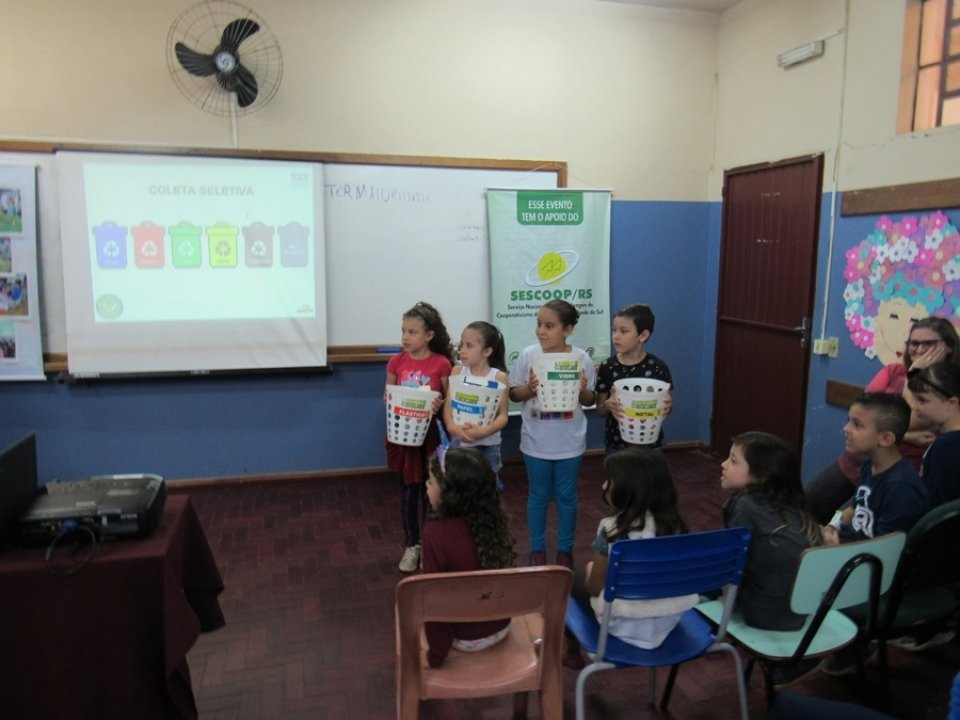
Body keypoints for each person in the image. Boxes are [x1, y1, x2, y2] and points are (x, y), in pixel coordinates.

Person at [805, 317, 960, 524]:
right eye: (914, 343)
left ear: (948, 347)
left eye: (928, 344)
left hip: (898, 473)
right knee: (808, 505)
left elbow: (907, 416)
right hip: (861, 460)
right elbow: (862, 412)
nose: (920, 349)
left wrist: (915, 375)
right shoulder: (894, 371)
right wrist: (907, 434)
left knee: (853, 522)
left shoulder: (949, 384)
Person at [565, 448, 698, 663]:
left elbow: (594, 588)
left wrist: (591, 570)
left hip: (622, 622)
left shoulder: (611, 528)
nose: (603, 485)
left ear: (629, 489)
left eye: (609, 480)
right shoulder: (677, 527)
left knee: (570, 577)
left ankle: (570, 653)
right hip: (668, 619)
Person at [508, 299, 596, 568]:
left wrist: (582, 390)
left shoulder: (581, 358)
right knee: (539, 495)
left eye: (549, 326)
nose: (541, 331)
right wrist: (530, 389)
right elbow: (513, 393)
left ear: (567, 329)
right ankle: (537, 549)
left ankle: (565, 550)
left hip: (570, 442)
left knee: (567, 496)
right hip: (536, 440)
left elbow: (590, 398)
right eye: (538, 324)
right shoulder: (528, 355)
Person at [421, 446, 517, 668]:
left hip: (465, 639)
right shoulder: (492, 520)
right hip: (501, 627)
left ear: (450, 493)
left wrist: (435, 656)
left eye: (431, 482)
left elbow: (434, 601)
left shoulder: (434, 534)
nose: (426, 485)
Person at [720, 431, 821, 631]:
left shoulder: (745, 506)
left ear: (761, 474)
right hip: (800, 614)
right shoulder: (794, 506)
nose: (724, 464)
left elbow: (731, 565)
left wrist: (723, 605)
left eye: (733, 461)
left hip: (762, 613)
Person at [385, 301, 454, 573]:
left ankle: (429, 545)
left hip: (431, 438)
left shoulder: (442, 363)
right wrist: (395, 400)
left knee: (432, 493)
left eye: (412, 332)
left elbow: (449, 399)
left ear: (429, 335)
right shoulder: (396, 361)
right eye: (403, 331)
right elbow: (387, 395)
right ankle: (412, 544)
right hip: (404, 437)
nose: (405, 337)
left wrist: (439, 404)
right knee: (409, 493)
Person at [820, 393, 928, 546]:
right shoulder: (869, 466)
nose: (846, 429)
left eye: (857, 425)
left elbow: (885, 551)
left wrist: (834, 548)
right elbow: (854, 507)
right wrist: (832, 526)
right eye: (849, 421)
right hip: (849, 545)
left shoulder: (901, 487)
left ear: (885, 439)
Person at [594, 303, 673, 453]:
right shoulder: (607, 367)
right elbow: (600, 410)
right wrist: (608, 405)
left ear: (643, 335)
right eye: (614, 330)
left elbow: (665, 406)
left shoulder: (657, 367)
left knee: (651, 477)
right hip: (617, 444)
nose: (616, 336)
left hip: (651, 444)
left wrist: (668, 406)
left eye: (623, 331)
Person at [442, 321, 509, 491]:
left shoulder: (498, 377)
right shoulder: (457, 371)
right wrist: (451, 426)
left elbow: (503, 416)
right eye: (462, 344)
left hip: (487, 446)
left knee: (488, 491)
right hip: (459, 443)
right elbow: (448, 406)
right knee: (460, 489)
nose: (462, 350)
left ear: (487, 351)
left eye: (469, 346)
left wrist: (484, 431)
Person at [907, 361, 960, 507]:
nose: (914, 407)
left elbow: (935, 505)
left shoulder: (946, 447)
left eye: (922, 400)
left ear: (951, 403)